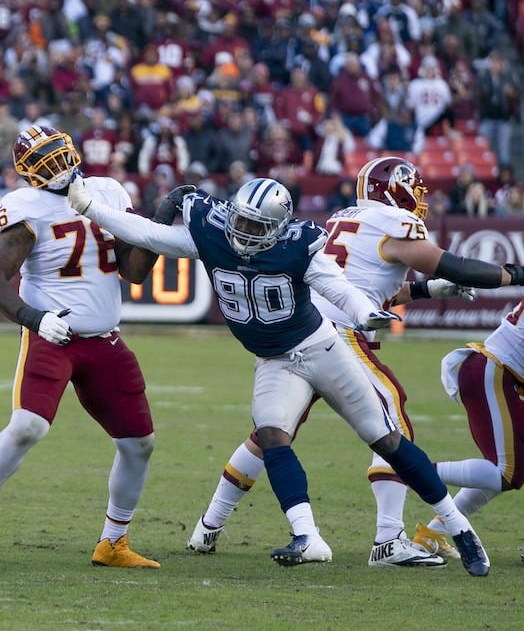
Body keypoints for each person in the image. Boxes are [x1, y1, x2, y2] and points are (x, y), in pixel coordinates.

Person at [67, 175, 492, 576]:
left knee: (386, 439)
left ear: (277, 226)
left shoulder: (297, 245)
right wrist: (89, 206)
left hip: (322, 349)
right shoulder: (213, 233)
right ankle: (307, 536)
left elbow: (338, 288)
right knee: (271, 436)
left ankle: (460, 529)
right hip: (274, 361)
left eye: (256, 224)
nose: (245, 230)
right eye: (241, 219)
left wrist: (365, 314)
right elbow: (146, 234)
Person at [185, 157, 524, 566]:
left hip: (304, 328)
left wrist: (430, 291)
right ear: (396, 191)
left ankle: (207, 527)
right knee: (392, 423)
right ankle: (389, 539)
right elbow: (456, 264)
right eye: (413, 193)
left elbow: (375, 291)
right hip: (338, 337)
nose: (418, 202)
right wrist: (513, 274)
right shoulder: (393, 224)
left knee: (270, 433)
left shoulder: (346, 219)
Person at [0, 125, 165, 568]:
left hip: (104, 339)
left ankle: (113, 542)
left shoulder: (109, 191)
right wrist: (36, 320)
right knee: (28, 426)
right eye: (43, 159)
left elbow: (133, 272)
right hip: (53, 335)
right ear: (25, 173)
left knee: (140, 444)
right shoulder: (26, 207)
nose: (56, 166)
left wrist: (159, 225)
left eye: (59, 153)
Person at [410, 299, 524, 554]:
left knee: (509, 467)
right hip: (495, 373)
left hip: (498, 374)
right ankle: (409, 469)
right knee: (507, 472)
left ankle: (433, 533)